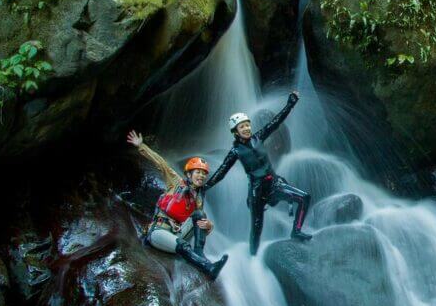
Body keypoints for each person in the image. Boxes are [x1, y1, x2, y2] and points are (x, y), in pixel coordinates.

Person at [205, 91, 312, 256]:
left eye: (247, 125)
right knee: (256, 227)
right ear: (235, 131)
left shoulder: (258, 137)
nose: (246, 128)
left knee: (304, 197)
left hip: (274, 184)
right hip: (257, 191)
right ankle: (253, 257)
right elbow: (222, 171)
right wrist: (206, 186)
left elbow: (275, 122)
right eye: (242, 126)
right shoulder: (235, 151)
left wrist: (290, 103)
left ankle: (296, 231)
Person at [126, 130, 228, 280]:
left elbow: (202, 226)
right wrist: (141, 146)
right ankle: (208, 268)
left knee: (200, 215)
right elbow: (161, 163)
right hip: (159, 232)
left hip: (177, 233)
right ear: (189, 174)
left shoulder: (197, 198)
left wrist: (209, 226)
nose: (201, 176)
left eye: (204, 174)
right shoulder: (175, 182)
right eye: (198, 172)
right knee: (183, 246)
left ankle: (199, 255)